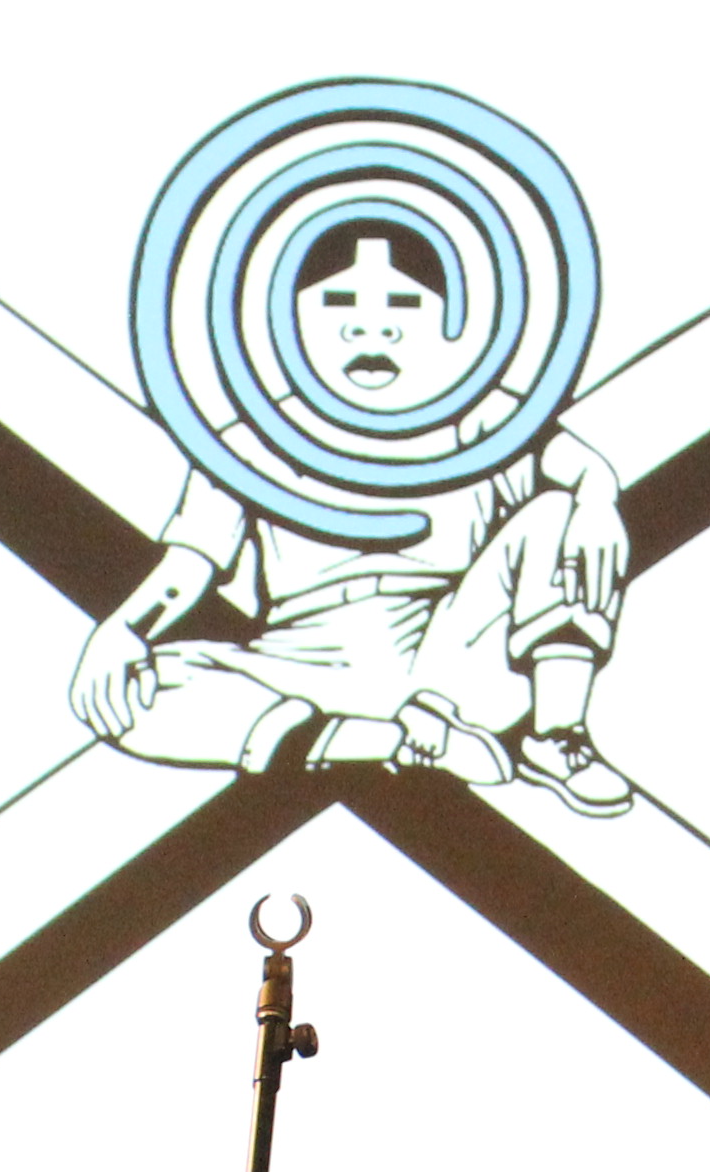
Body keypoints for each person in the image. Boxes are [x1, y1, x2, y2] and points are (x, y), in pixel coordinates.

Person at [72, 216, 636, 811]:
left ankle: (556, 736)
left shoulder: (481, 428)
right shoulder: (253, 443)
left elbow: (578, 470)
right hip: (302, 663)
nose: (372, 327)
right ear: (286, 321)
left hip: (452, 660)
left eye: (404, 303)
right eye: (339, 301)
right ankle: (373, 741)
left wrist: (598, 500)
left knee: (562, 514)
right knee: (136, 688)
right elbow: (191, 563)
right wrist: (123, 629)